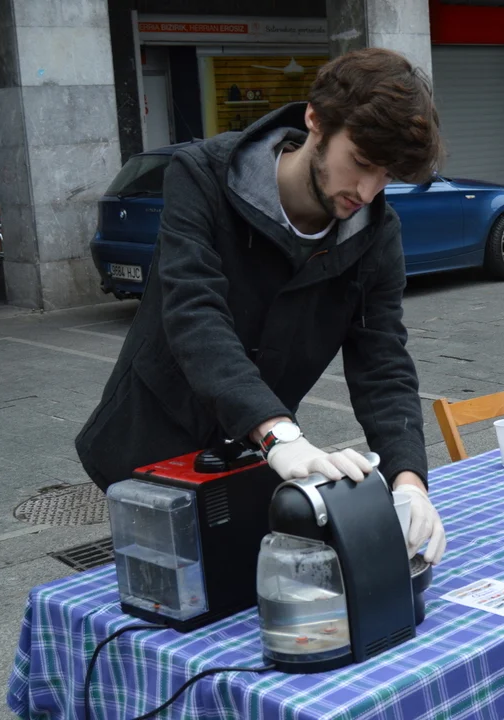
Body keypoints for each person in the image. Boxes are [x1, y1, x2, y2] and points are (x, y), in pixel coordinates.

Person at [75, 48, 447, 564]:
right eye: (361, 162)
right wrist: (279, 434)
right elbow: (194, 312)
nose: (367, 191)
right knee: (167, 592)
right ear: (316, 120)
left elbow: (382, 361)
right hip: (151, 446)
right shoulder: (203, 176)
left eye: (386, 176)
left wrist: (409, 480)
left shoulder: (377, 235)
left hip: (253, 455)